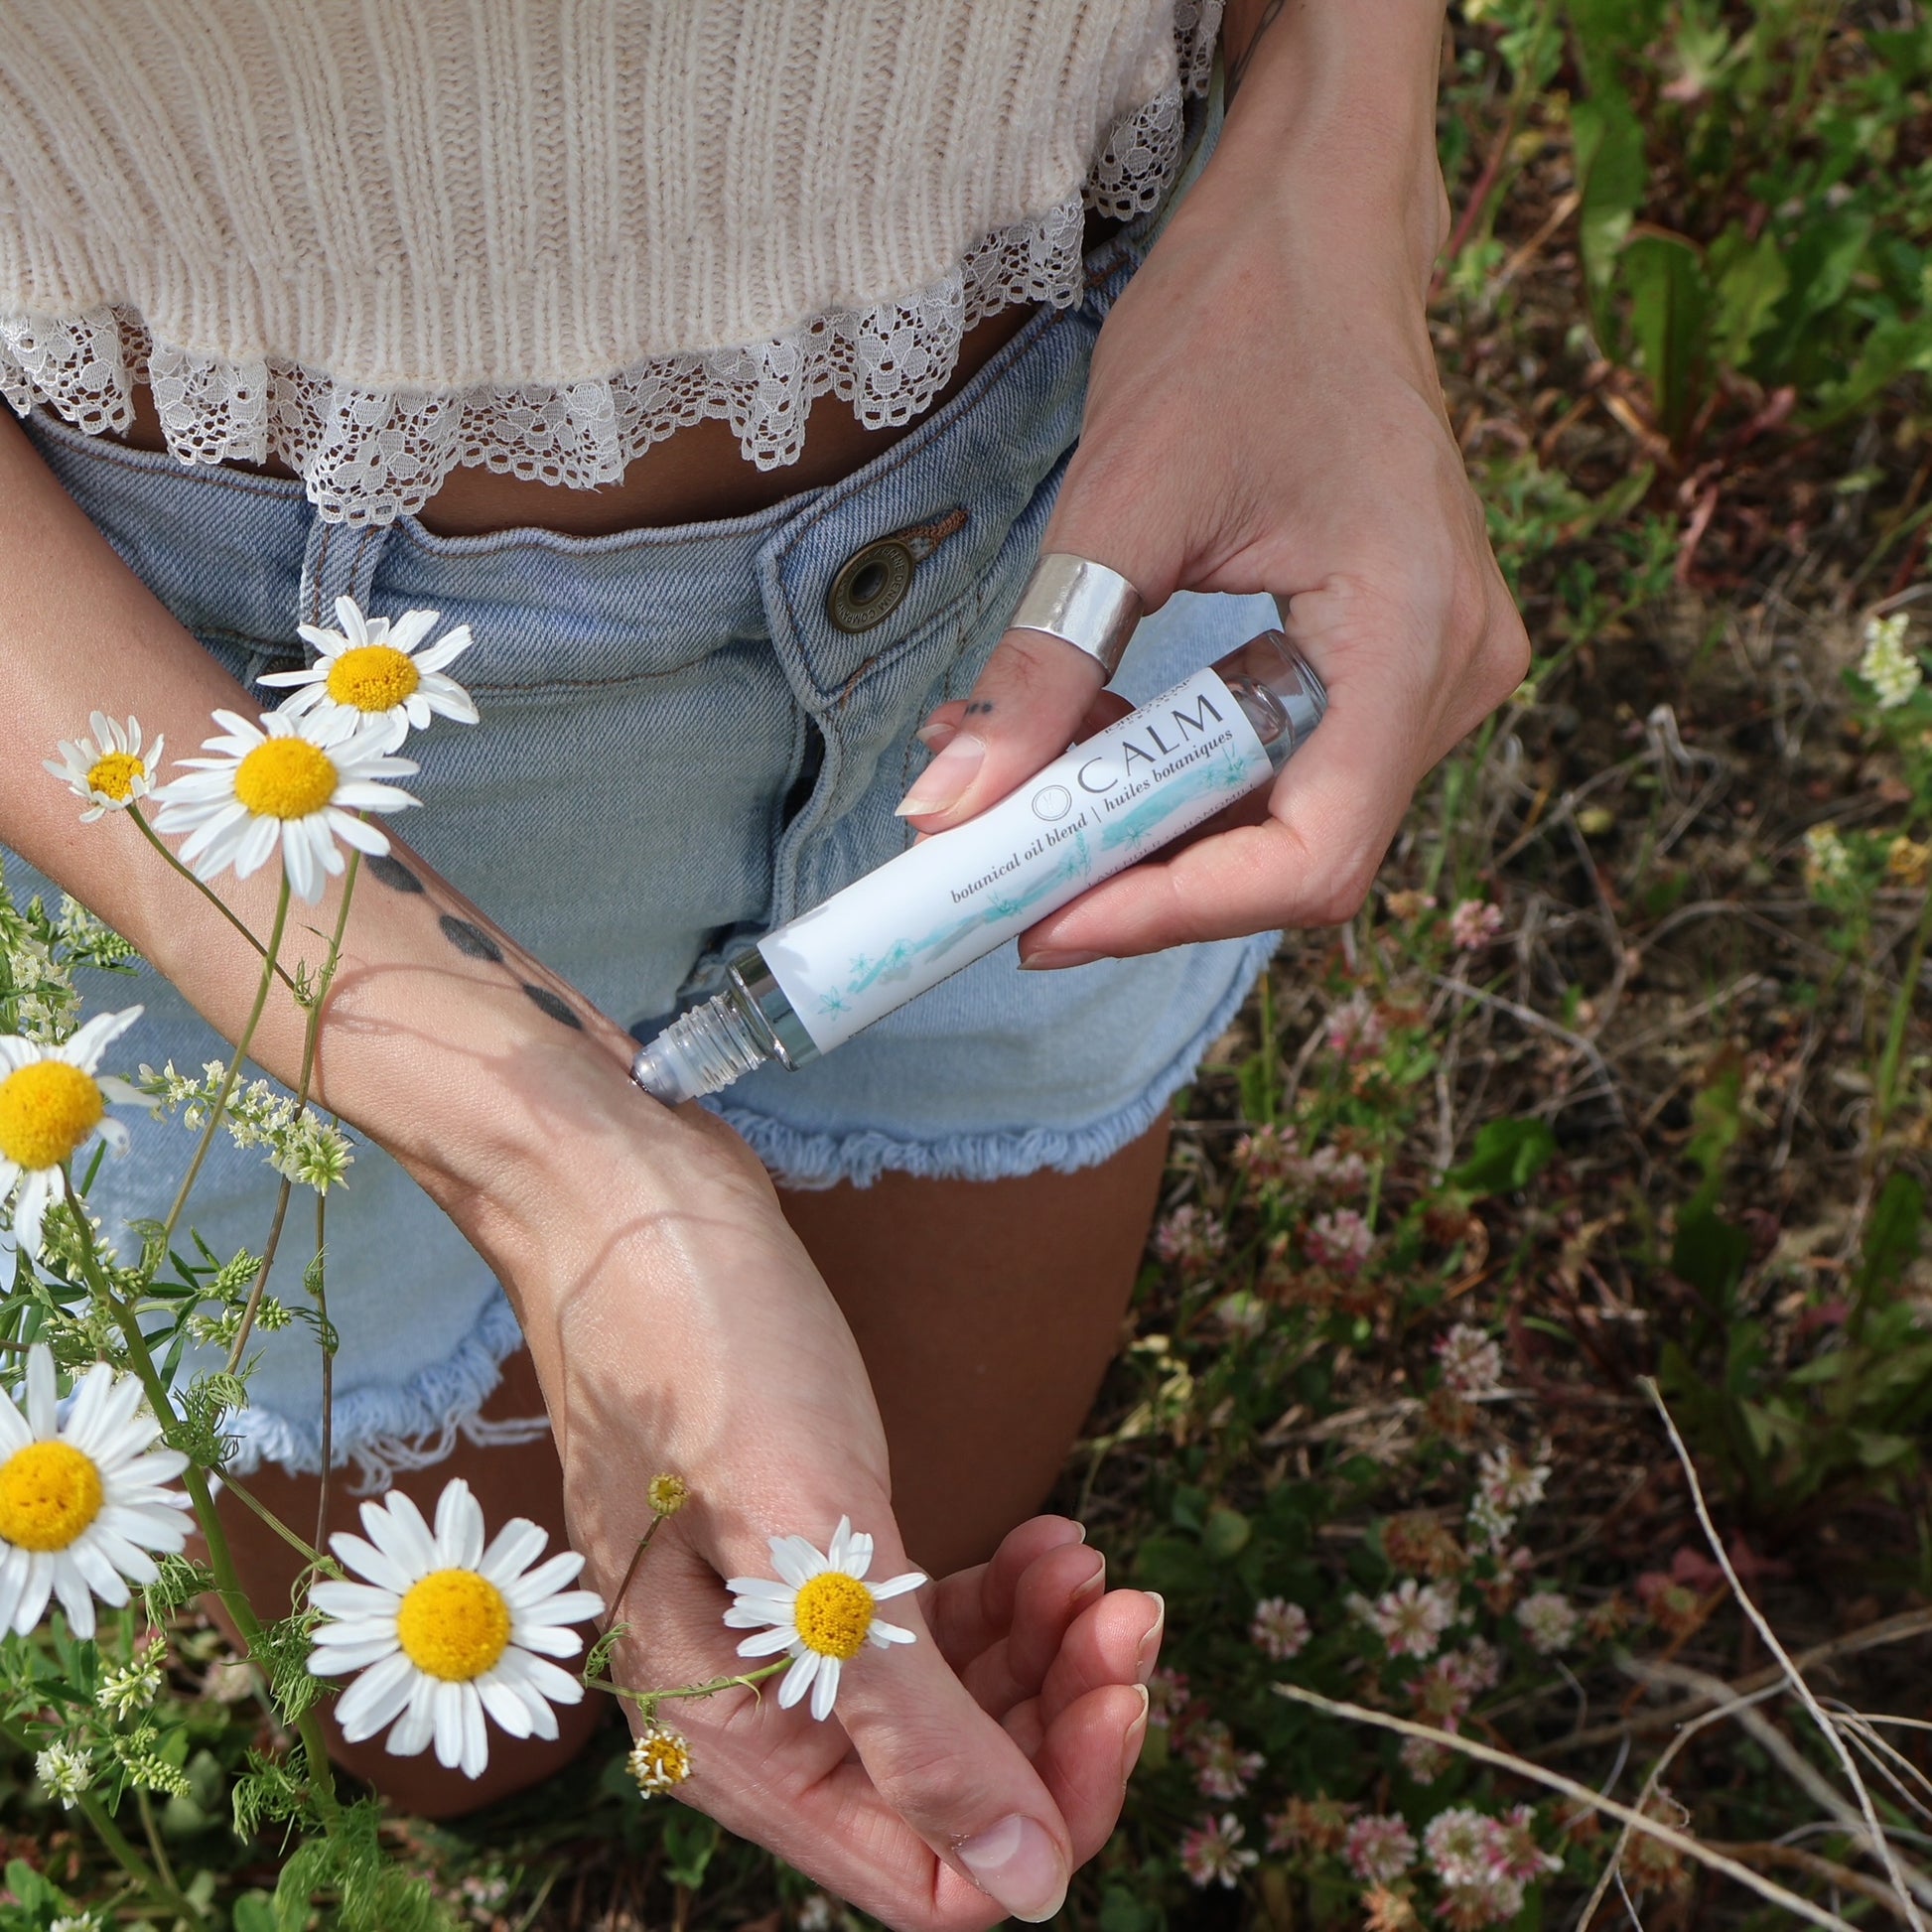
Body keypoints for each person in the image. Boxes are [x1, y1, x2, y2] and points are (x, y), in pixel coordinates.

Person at [0, 1, 1527, 1923]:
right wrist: (551, 1155)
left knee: (924, 1548)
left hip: (1083, 500)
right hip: (231, 725)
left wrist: (1338, 149)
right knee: (444, 1720)